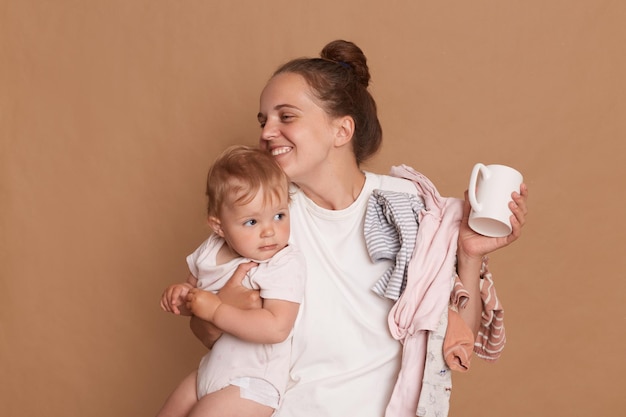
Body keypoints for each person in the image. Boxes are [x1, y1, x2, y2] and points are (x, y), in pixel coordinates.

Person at [190, 40, 529, 417]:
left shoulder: (409, 209)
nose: (267, 132)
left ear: (341, 130)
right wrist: (217, 309)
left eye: (285, 117)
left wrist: (468, 257)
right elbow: (207, 334)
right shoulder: (264, 217)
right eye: (263, 120)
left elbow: (450, 344)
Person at [158, 145, 306, 417]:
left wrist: (217, 310)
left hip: (252, 383)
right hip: (210, 372)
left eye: (279, 215)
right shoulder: (210, 250)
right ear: (219, 226)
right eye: (251, 222)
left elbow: (276, 328)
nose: (269, 231)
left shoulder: (282, 262)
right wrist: (182, 293)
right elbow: (195, 296)